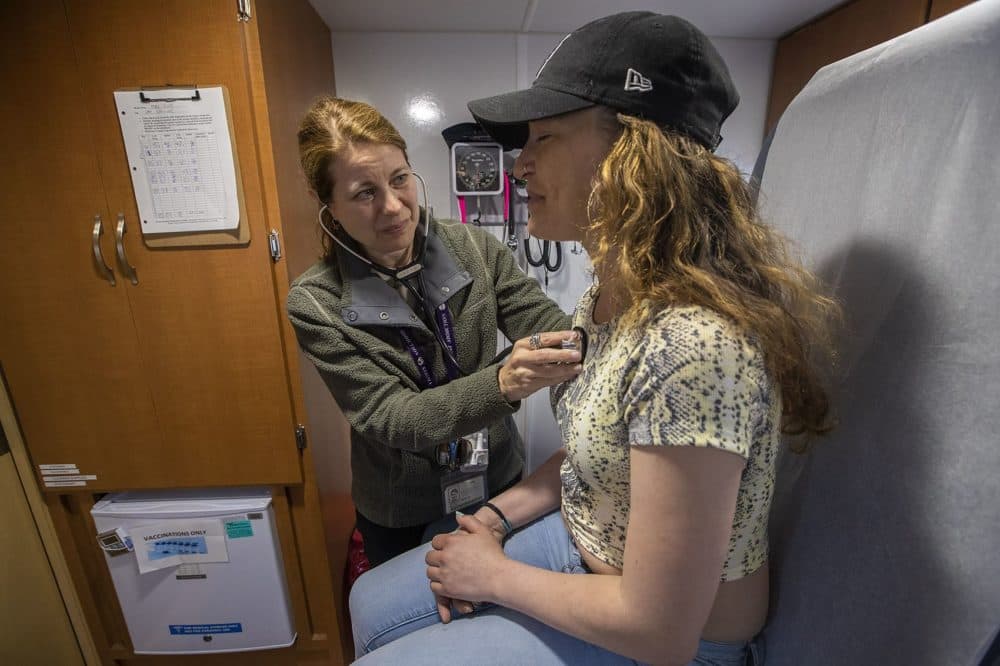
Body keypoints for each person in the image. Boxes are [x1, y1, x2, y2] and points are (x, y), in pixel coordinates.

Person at [348, 11, 841, 665]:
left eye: (544, 137)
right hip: (585, 544)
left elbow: (657, 632)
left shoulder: (692, 350)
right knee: (366, 605)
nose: (519, 165)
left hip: (672, 635)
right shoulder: (607, 300)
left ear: (631, 155)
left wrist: (492, 575)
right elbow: (594, 455)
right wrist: (495, 521)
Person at [288, 97, 581, 568]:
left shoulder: (473, 247)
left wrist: (599, 336)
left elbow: (545, 322)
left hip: (496, 480)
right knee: (407, 618)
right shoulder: (317, 303)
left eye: (400, 179)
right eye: (364, 193)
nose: (393, 207)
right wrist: (502, 382)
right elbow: (393, 418)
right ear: (330, 207)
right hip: (400, 509)